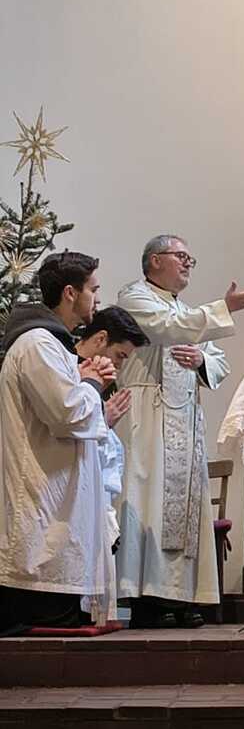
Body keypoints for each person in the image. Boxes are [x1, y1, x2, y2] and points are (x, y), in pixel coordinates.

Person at [115, 235, 244, 627]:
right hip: (146, 421)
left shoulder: (186, 310)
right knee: (148, 503)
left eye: (189, 259)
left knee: (184, 514)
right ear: (154, 260)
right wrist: (224, 308)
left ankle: (181, 598)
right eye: (180, 256)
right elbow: (166, 329)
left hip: (184, 422)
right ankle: (148, 600)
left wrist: (201, 359)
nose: (187, 264)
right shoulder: (135, 298)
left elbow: (218, 361)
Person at [0, 252, 117, 631]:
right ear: (70, 293)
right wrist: (92, 383)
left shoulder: (54, 344)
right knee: (43, 588)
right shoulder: (37, 343)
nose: (97, 298)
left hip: (55, 478)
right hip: (39, 483)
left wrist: (85, 378)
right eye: (93, 289)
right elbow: (66, 413)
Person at [74, 307, 150, 550]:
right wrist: (102, 419)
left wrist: (104, 423)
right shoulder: (68, 370)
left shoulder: (103, 379)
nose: (119, 364)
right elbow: (64, 424)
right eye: (119, 355)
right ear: (101, 339)